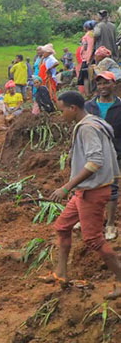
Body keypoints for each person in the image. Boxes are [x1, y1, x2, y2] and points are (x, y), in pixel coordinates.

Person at [48, 91, 121, 299]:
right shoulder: (93, 122)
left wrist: (66, 187)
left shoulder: (88, 128)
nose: (60, 114)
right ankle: (60, 274)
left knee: (93, 240)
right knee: (62, 227)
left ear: (73, 108)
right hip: (86, 190)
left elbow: (95, 161)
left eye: (62, 109)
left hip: (93, 191)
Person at [85, 72, 121, 240]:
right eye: (99, 84)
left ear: (114, 85)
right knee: (89, 185)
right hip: (92, 153)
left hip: (115, 153)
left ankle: (110, 224)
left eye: (106, 83)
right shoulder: (89, 107)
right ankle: (91, 220)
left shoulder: (119, 106)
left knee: (112, 188)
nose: (102, 87)